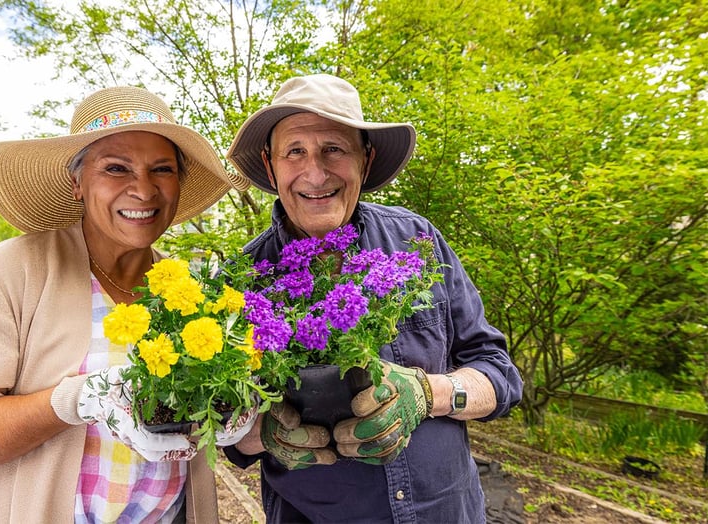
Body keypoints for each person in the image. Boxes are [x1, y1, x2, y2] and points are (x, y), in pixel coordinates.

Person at [0, 86, 253, 523]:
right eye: (116, 168)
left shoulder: (187, 290)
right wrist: (78, 400)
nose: (143, 189)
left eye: (161, 169)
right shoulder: (16, 271)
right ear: (77, 182)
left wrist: (242, 412)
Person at [224, 74, 524, 523]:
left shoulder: (419, 241)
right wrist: (263, 433)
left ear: (366, 159)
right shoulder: (244, 280)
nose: (315, 172)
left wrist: (429, 392)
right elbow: (229, 435)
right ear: (271, 167)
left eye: (334, 149)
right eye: (295, 152)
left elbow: (499, 375)